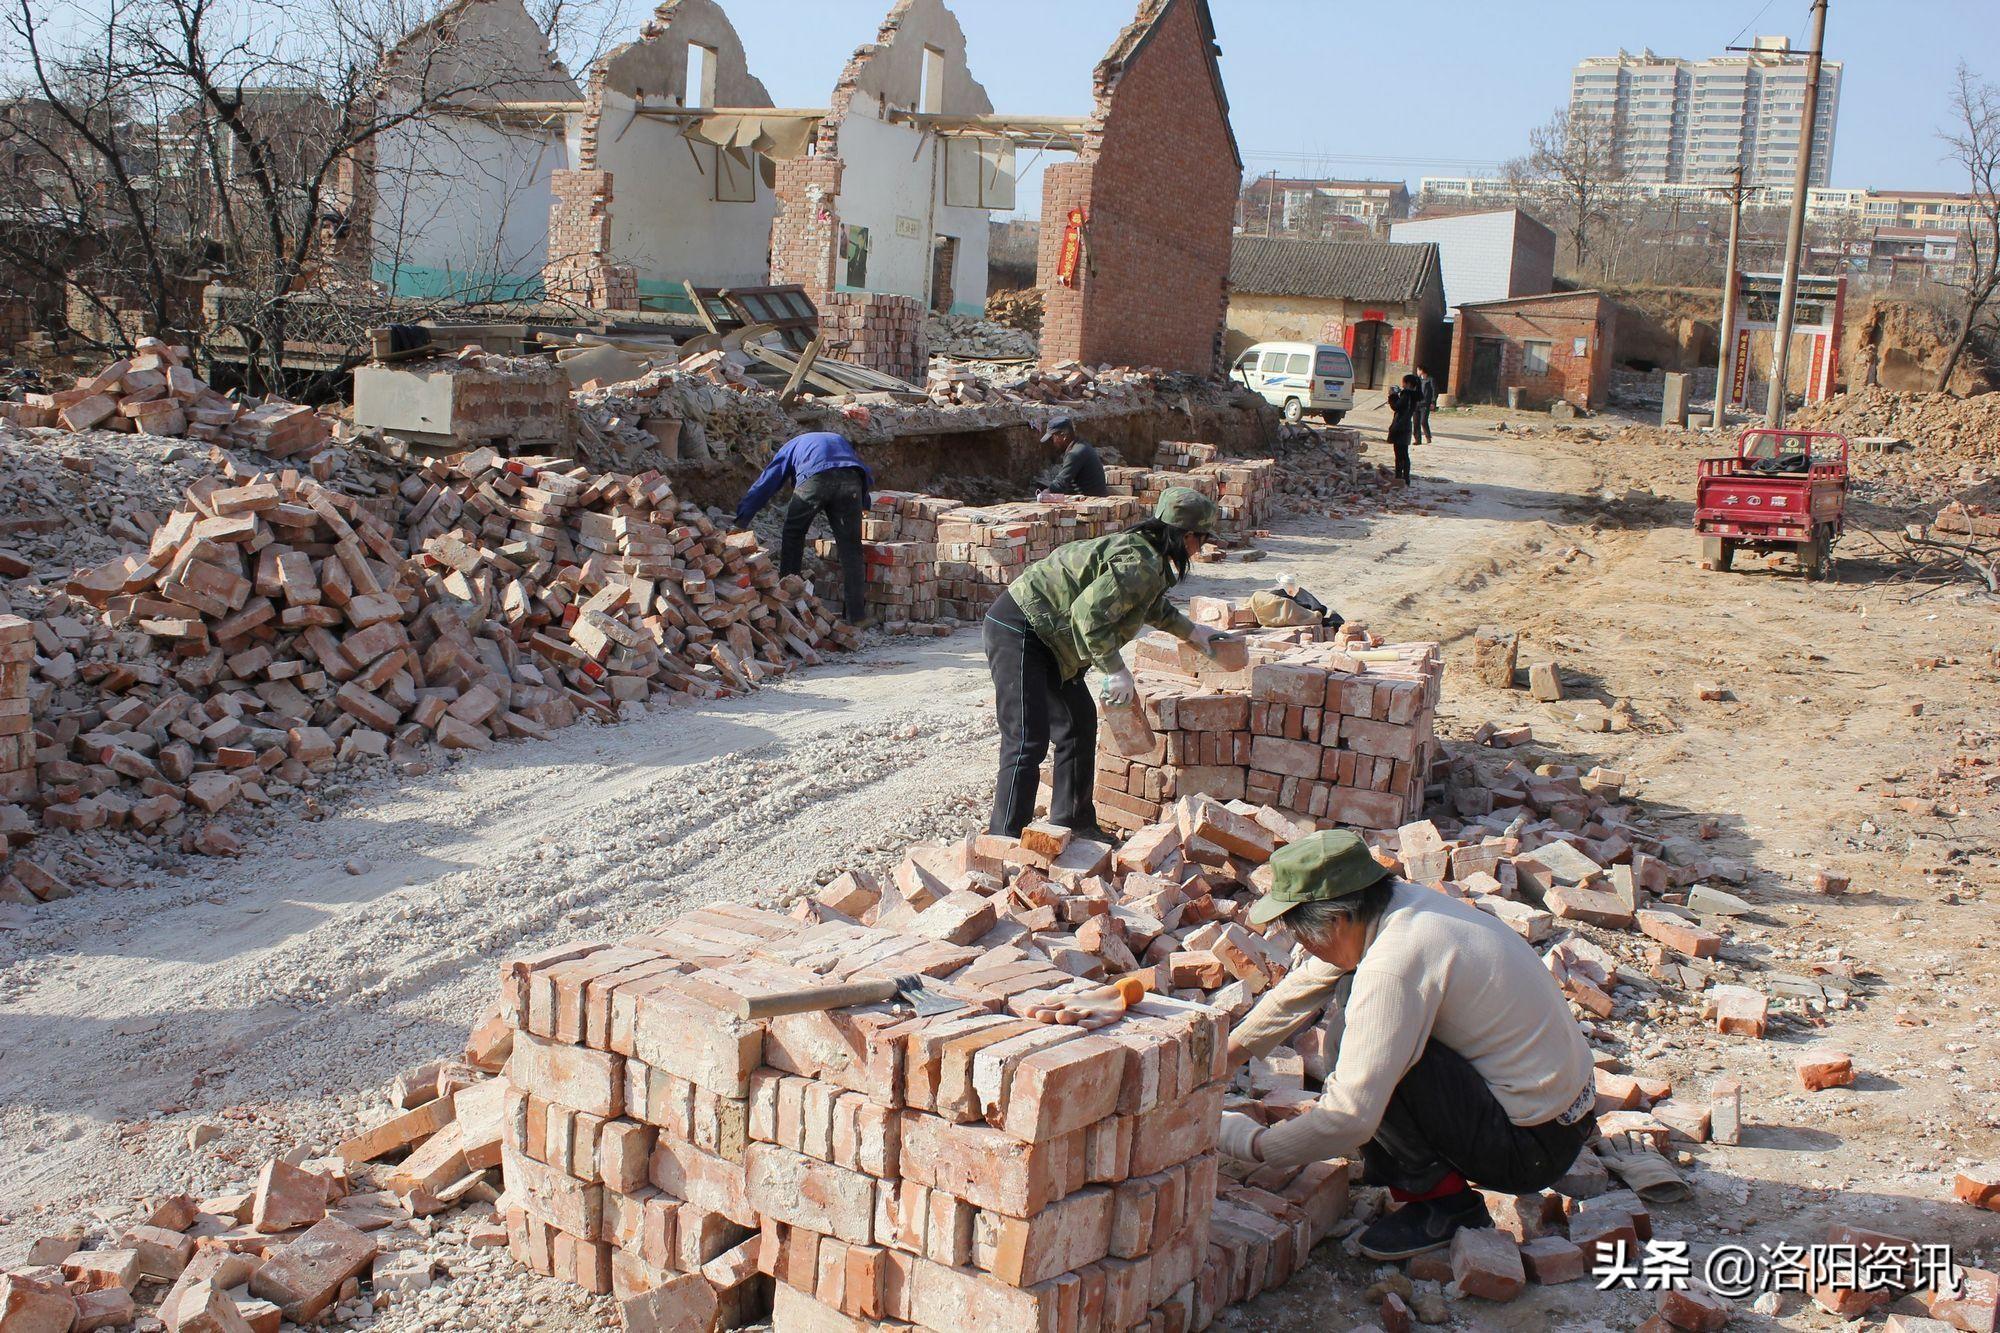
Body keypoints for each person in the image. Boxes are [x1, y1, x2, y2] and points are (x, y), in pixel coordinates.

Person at [1217, 830, 1597, 1261]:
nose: (1305, 948)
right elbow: (1312, 979)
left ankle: (1446, 1207)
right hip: (1572, 1111)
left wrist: (1253, 1145)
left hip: (1532, 1149)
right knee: (1353, 1003)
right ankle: (1423, 1169)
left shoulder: (1393, 964)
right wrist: (1229, 1053)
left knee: (1357, 1041)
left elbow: (1350, 1118)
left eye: (1304, 936)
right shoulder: (1400, 907)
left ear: (1338, 919)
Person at [984, 487, 1232, 838]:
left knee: (1078, 724)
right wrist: (1115, 669)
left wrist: (1193, 632)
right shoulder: (1140, 561)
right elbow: (1088, 616)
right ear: (1187, 535)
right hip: (1021, 627)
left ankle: (1075, 823)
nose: (1201, 548)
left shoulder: (1150, 559)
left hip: (1052, 638)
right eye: (1202, 540)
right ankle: (1003, 843)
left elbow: (1148, 605)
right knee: (1027, 738)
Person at [735, 408, 874, 626]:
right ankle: (857, 616)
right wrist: (864, 504)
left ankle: (788, 602)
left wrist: (741, 520)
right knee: (851, 548)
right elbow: (859, 468)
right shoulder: (839, 441)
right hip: (852, 482)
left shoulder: (791, 446)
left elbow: (767, 483)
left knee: (794, 534)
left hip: (815, 479)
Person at [1041, 415, 1108, 498]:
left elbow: (1060, 484)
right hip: (1095, 498)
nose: (1053, 442)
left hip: (1091, 503)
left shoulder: (1075, 454)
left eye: (1053, 438)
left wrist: (1045, 493)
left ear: (1064, 436)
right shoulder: (1082, 446)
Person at [1385, 374, 1421, 485]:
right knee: (1404, 454)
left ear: (1408, 383)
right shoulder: (1414, 396)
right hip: (1406, 426)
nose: (1403, 385)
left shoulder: (1406, 395)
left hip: (1400, 426)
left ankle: (1399, 478)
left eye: (1404, 383)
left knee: (1399, 454)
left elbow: (1396, 407)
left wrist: (1392, 396)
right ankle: (1405, 478)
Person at [1415, 365, 1438, 444]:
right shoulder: (1418, 380)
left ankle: (1428, 436)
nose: (1417, 372)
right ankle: (1417, 440)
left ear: (1422, 370)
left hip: (1425, 404)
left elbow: (1434, 391)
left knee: (1423, 421)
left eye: (1418, 370)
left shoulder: (1430, 380)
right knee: (1416, 422)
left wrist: (1433, 402)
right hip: (1417, 404)